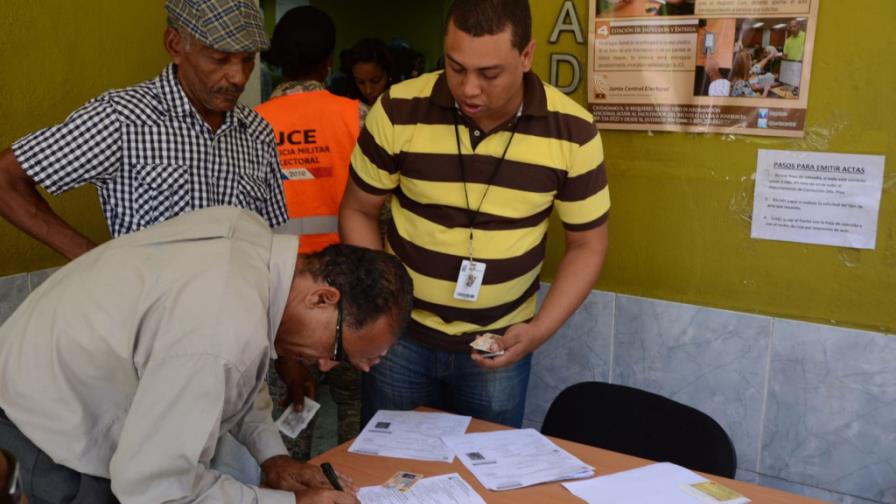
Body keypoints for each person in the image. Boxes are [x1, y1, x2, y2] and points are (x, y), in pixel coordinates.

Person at [0, 206, 413, 503]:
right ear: (323, 298)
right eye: (337, 351)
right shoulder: (221, 328)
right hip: (45, 437)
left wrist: (272, 456)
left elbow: (240, 376)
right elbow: (153, 489)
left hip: (45, 385)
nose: (324, 365)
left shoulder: (255, 250)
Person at [339, 0, 610, 428]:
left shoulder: (573, 131)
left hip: (499, 344)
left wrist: (538, 331)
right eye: (455, 67)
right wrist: (380, 306)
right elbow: (358, 209)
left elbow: (587, 245)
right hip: (401, 339)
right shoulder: (398, 108)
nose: (468, 89)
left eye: (489, 74)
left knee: (485, 481)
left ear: (526, 56)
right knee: (388, 477)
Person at [0, 0, 287, 261]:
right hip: (152, 315)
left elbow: (269, 239)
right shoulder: (122, 118)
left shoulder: (258, 133)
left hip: (237, 310)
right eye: (220, 59)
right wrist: (94, 261)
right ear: (175, 45)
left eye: (248, 59)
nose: (239, 77)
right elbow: (6, 178)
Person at [255, 6, 366, 461]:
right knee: (358, 422)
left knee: (288, 427)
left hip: (280, 303)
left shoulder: (249, 125)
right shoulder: (357, 115)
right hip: (350, 297)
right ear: (328, 61)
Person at [344, 39, 395, 106]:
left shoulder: (402, 105)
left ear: (388, 74)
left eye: (375, 81)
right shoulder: (350, 105)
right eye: (360, 82)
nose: (368, 90)